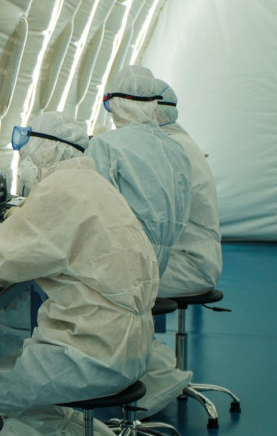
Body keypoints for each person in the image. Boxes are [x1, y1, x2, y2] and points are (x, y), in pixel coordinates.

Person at [0, 112, 159, 432]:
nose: (23, 160)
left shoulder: (59, 191)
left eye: (25, 151)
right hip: (126, 346)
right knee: (3, 383)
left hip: (90, 356)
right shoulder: (91, 183)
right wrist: (2, 230)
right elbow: (53, 245)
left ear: (47, 149)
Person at [84, 65, 194, 418]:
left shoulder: (105, 145)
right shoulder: (174, 147)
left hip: (120, 260)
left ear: (113, 103)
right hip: (158, 259)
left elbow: (89, 208)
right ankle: (149, 376)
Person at [152, 80, 222, 297]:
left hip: (187, 265)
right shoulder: (179, 141)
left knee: (102, 282)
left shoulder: (171, 148)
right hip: (193, 257)